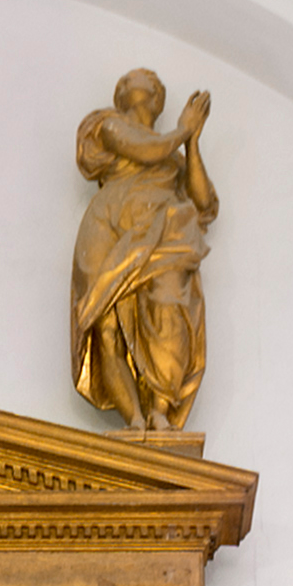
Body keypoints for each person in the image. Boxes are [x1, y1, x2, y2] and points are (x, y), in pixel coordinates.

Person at [70, 69, 217, 436]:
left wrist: (192, 143)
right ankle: (134, 420)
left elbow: (204, 201)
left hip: (163, 234)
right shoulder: (106, 126)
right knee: (107, 328)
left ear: (158, 99)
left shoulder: (173, 156)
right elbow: (144, 150)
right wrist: (183, 130)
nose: (141, 87)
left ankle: (159, 410)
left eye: (149, 84)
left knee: (169, 308)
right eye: (133, 83)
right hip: (108, 227)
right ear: (121, 95)